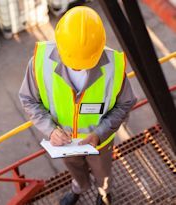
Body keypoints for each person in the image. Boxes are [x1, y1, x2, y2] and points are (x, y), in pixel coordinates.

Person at [19, 6, 136, 205]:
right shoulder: (39, 63)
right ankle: (79, 188)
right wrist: (51, 130)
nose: (77, 66)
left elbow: (125, 104)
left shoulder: (114, 67)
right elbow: (29, 99)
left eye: (85, 62)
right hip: (64, 143)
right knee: (75, 171)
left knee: (103, 172)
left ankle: (104, 193)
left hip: (99, 141)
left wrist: (100, 133)